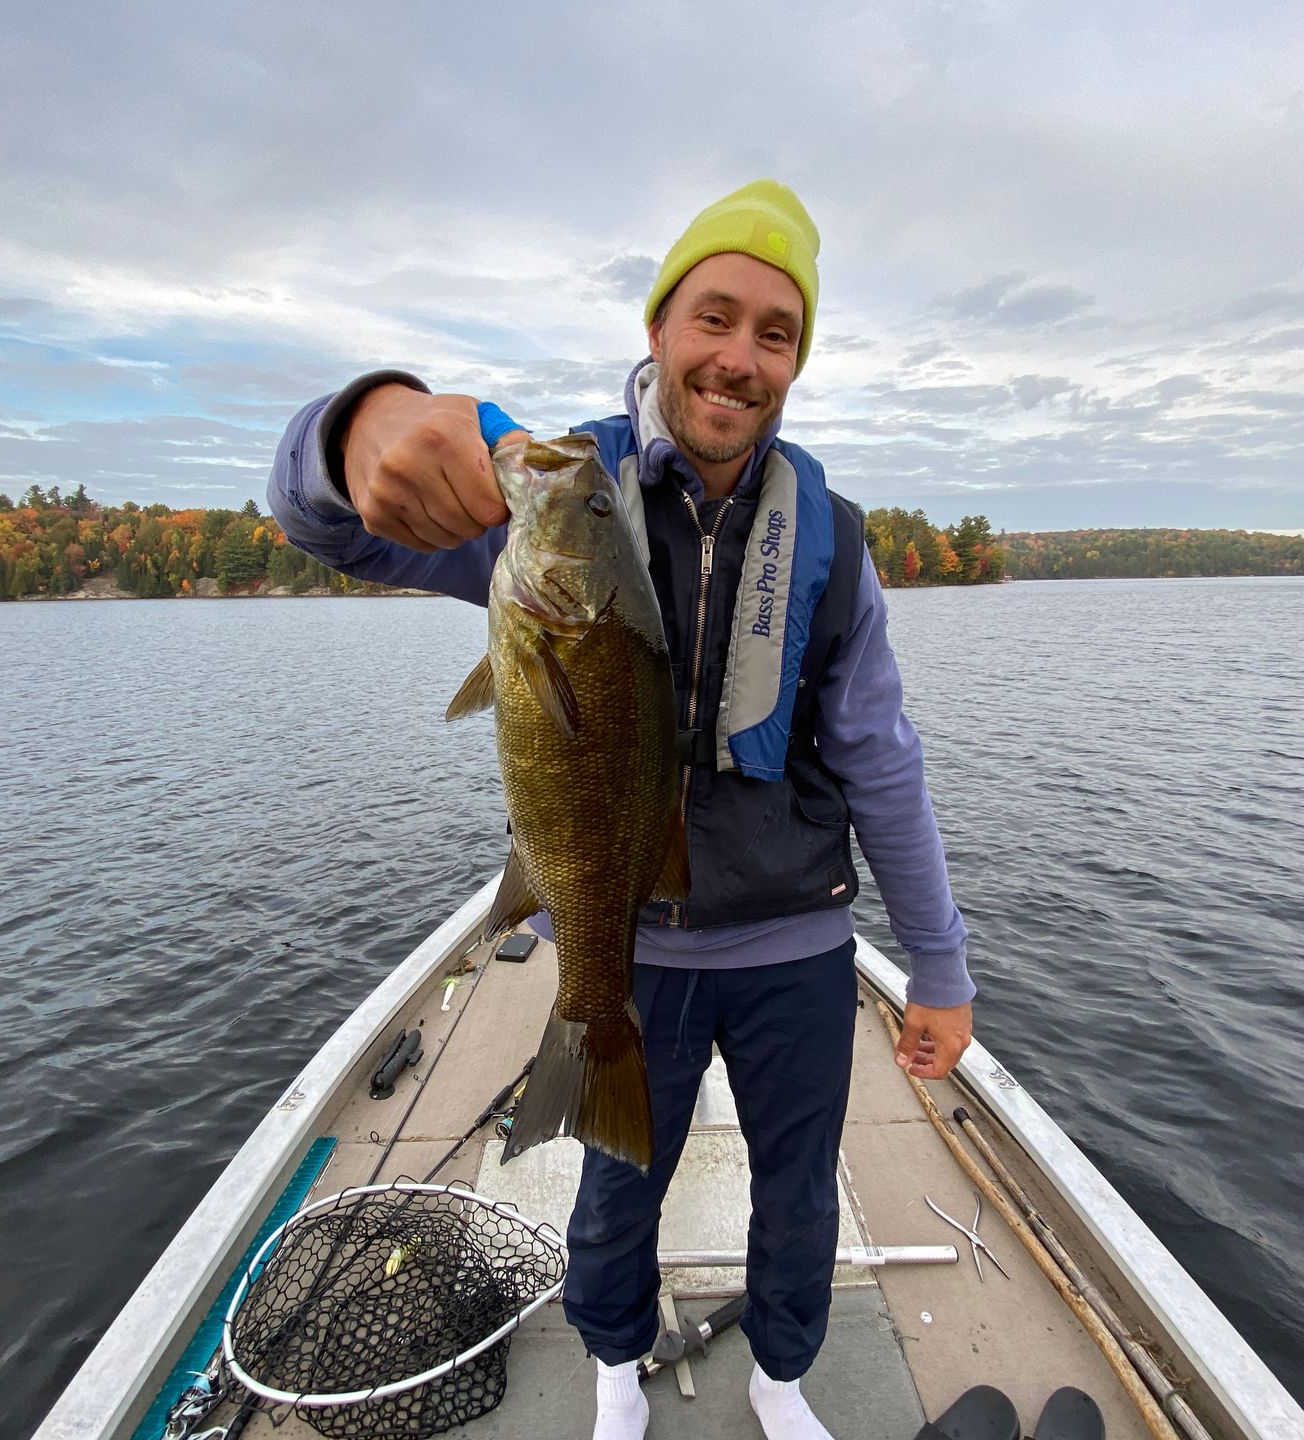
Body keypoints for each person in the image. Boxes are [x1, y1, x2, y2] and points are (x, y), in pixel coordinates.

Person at [266, 180, 975, 1440]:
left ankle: (782, 1379)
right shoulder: (553, 498)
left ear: (797, 361)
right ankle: (612, 1361)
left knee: (800, 1192)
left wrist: (941, 963)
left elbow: (883, 759)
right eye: (715, 316)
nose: (739, 358)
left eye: (776, 333)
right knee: (616, 1186)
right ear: (657, 327)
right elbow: (331, 528)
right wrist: (359, 424)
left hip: (796, 940)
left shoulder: (829, 541)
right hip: (631, 935)